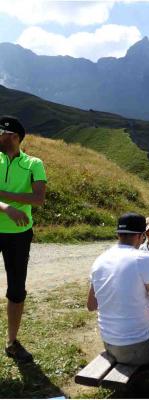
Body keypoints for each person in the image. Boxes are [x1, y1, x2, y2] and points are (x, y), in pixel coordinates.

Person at [87, 212, 149, 366]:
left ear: (118, 234)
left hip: (109, 344)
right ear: (141, 236)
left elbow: (91, 306)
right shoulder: (142, 258)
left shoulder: (99, 260)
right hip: (137, 348)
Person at [0, 116, 47, 363]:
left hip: (19, 235)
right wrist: (7, 206)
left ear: (13, 136)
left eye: (0, 132)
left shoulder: (34, 163)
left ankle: (11, 342)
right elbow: (28, 197)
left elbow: (38, 198)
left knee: (17, 290)